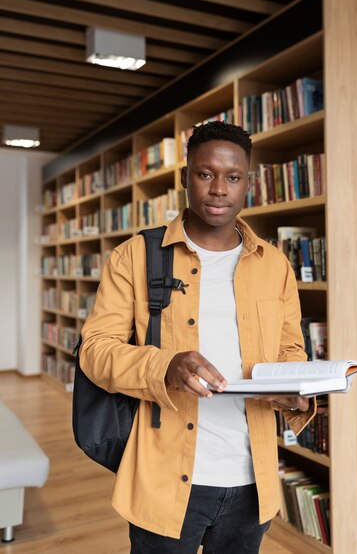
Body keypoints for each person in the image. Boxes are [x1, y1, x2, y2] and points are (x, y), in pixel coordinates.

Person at [80, 121, 316, 554]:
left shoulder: (275, 265)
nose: (219, 190)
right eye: (206, 174)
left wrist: (296, 393)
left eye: (233, 177)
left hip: (252, 481)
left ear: (249, 183)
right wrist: (164, 365)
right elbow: (95, 351)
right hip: (165, 478)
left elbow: (289, 351)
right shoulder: (135, 256)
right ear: (185, 178)